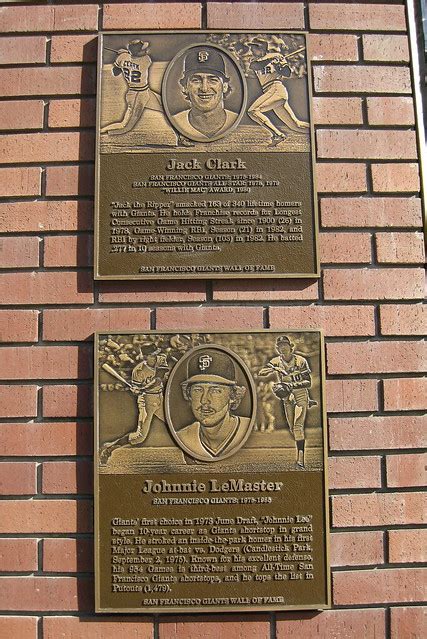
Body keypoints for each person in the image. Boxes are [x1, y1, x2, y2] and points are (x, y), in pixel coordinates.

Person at [177, 349, 251, 460]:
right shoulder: (183, 438)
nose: (204, 400)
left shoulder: (250, 430)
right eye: (198, 390)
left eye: (215, 390)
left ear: (232, 396)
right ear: (189, 394)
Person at [259, 336, 314, 467]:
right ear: (278, 348)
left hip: (300, 394)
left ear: (291, 347)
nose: (283, 347)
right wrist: (274, 369)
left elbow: (308, 382)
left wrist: (292, 385)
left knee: (297, 426)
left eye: (285, 345)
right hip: (287, 397)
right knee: (292, 428)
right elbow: (261, 372)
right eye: (280, 346)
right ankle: (299, 454)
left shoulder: (300, 360)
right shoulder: (276, 361)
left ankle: (300, 460)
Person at [247, 37, 309, 146]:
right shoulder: (254, 60)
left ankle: (277, 135)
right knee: (296, 126)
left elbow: (287, 73)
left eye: (253, 47)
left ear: (261, 48)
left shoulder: (276, 56)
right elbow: (256, 66)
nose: (251, 49)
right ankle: (315, 129)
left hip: (276, 88)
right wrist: (271, 60)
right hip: (269, 91)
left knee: (253, 111)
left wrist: (278, 65)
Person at [172, 46, 239, 142]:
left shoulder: (239, 122)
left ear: (224, 86)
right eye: (196, 80)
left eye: (212, 80)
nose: (204, 88)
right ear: (185, 87)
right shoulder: (175, 123)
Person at [100, 39, 163, 135]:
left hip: (144, 92)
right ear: (137, 52)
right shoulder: (145, 60)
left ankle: (181, 138)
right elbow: (137, 57)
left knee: (167, 109)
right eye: (143, 49)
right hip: (137, 97)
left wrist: (122, 57)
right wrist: (126, 54)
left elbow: (115, 72)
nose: (146, 50)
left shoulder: (123, 57)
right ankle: (101, 132)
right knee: (125, 127)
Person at [128, 347, 169, 445]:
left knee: (173, 424)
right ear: (145, 357)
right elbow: (137, 389)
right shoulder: (138, 370)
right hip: (146, 401)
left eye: (155, 355)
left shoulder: (160, 362)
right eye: (151, 355)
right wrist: (135, 390)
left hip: (160, 397)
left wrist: (141, 389)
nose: (155, 357)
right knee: (140, 437)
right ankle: (111, 447)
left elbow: (157, 380)